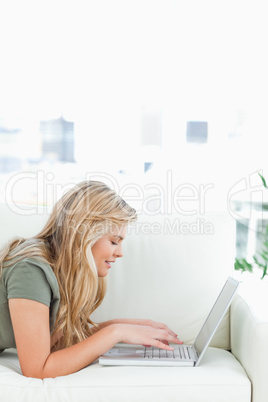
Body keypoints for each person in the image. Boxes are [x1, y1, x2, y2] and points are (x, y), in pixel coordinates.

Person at [0, 180, 182, 379]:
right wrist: (116, 332)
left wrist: (119, 326)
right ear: (84, 234)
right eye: (114, 241)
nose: (120, 253)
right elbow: (37, 369)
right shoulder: (31, 269)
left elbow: (55, 343)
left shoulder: (63, 271)